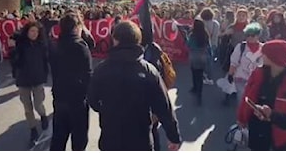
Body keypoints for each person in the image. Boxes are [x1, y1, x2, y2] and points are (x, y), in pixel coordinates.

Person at [88, 20, 181, 151]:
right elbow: (164, 106)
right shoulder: (148, 70)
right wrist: (174, 136)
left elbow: (92, 99)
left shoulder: (101, 69)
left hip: (111, 136)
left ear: (115, 39)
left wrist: (106, 110)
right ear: (138, 40)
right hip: (140, 138)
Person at [237, 40, 286, 150]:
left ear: (275, 57)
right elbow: (247, 95)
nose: (261, 55)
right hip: (257, 123)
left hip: (281, 128)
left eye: (264, 53)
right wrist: (242, 118)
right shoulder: (258, 72)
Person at [49, 13, 92, 150]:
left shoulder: (56, 45)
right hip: (77, 100)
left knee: (58, 138)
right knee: (79, 139)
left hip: (59, 96)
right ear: (76, 27)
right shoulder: (80, 46)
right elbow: (88, 75)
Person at [10, 21, 50, 147]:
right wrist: (13, 49)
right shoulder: (20, 44)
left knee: (38, 104)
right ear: (27, 32)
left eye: (36, 32)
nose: (34, 34)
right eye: (32, 31)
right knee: (27, 108)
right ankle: (33, 130)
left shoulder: (42, 45)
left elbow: (46, 61)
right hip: (23, 80)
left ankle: (43, 116)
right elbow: (14, 61)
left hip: (38, 79)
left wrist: (45, 75)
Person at [227, 23, 264, 104]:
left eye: (252, 35)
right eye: (248, 35)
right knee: (242, 101)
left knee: (254, 103)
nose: (250, 37)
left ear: (258, 36)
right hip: (241, 78)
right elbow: (234, 62)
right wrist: (230, 74)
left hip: (257, 81)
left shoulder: (263, 48)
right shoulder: (240, 47)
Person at [181, 18, 211, 106]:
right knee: (200, 75)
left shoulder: (192, 35)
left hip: (194, 56)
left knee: (194, 73)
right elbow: (208, 46)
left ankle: (194, 88)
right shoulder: (205, 35)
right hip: (203, 56)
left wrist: (185, 37)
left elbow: (188, 45)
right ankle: (199, 93)